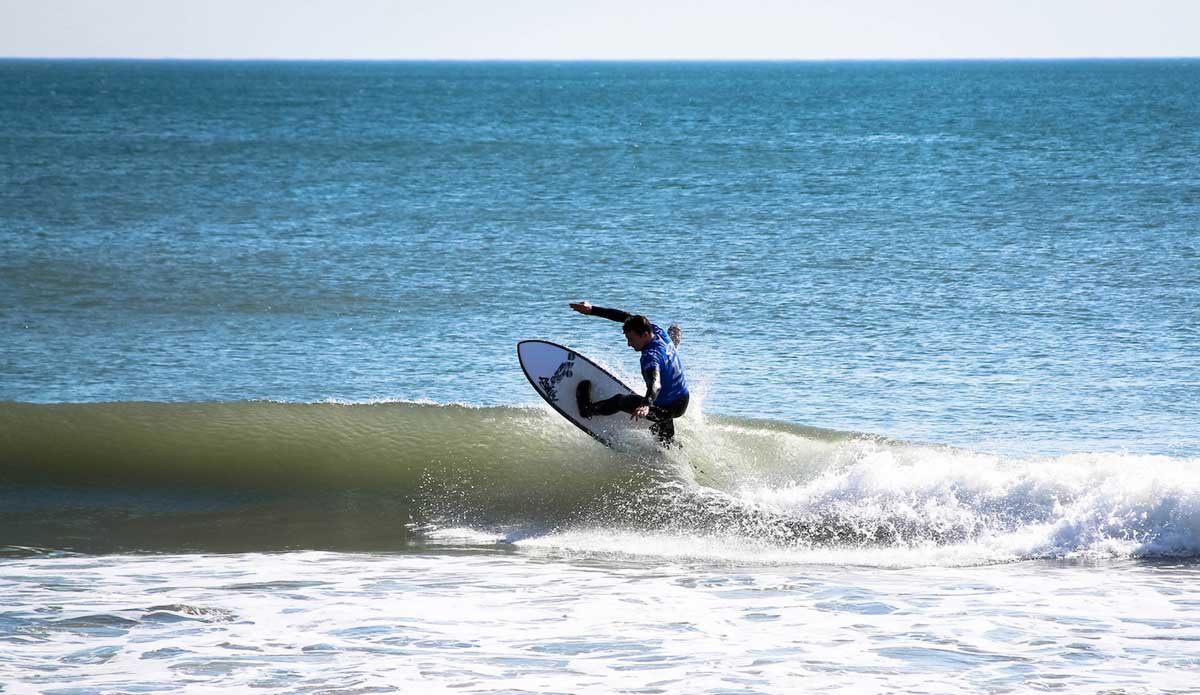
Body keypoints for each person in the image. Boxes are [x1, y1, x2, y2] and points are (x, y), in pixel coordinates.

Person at [568, 301, 690, 446]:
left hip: (666, 406)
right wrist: (592, 310)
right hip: (682, 399)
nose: (629, 344)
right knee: (663, 434)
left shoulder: (651, 356)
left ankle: (587, 410)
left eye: (631, 339)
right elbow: (624, 317)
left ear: (644, 335)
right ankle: (668, 446)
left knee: (621, 400)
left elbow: (655, 383)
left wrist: (646, 404)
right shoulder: (657, 331)